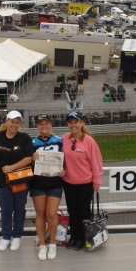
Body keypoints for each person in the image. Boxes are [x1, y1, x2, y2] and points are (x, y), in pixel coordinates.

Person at [0, 110, 34, 252]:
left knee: (19, 208)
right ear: (6, 121)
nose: (14, 125)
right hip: (2, 180)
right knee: (6, 209)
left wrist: (12, 168)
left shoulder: (24, 138)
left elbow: (29, 158)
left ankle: (17, 236)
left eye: (17, 122)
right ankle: (6, 236)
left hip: (20, 178)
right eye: (12, 122)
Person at [61, 112, 103, 251]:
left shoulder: (89, 141)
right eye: (70, 122)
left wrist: (96, 182)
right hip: (68, 182)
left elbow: (96, 162)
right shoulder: (64, 139)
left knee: (84, 212)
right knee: (72, 212)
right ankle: (74, 236)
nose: (73, 125)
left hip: (85, 183)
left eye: (75, 122)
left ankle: (84, 238)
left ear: (81, 123)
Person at [30, 114, 64, 261]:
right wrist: (32, 159)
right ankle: (42, 245)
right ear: (37, 126)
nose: (44, 126)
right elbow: (27, 162)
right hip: (37, 182)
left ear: (51, 125)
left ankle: (53, 243)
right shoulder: (31, 142)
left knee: (51, 214)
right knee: (40, 213)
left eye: (47, 124)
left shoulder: (59, 140)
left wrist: (64, 170)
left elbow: (66, 159)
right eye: (41, 124)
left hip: (55, 181)